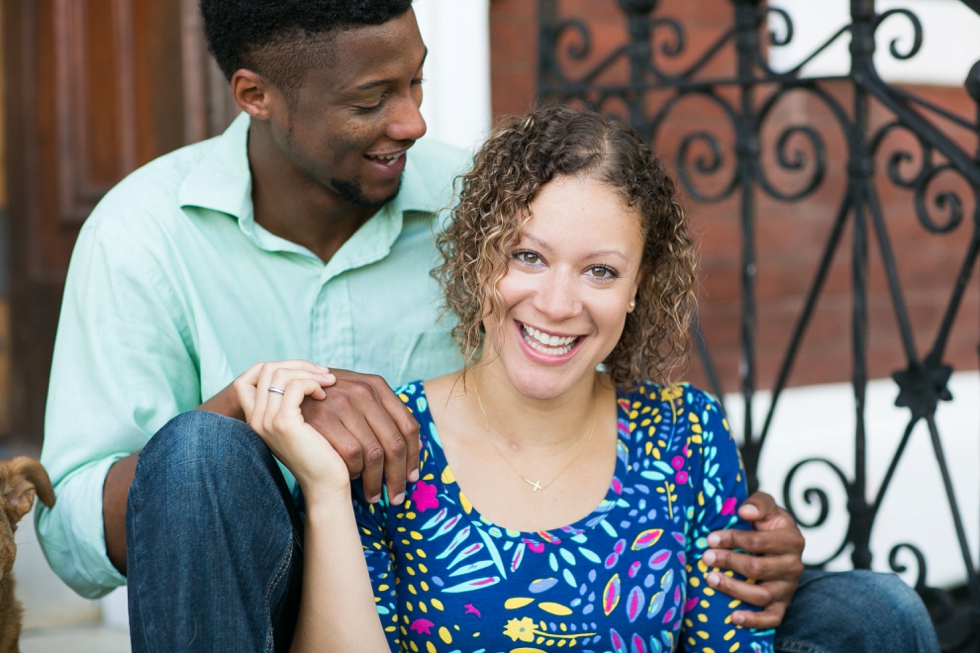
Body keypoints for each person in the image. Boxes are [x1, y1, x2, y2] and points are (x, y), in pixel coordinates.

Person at [32, 1, 938, 652]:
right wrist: (257, 410)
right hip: (262, 587)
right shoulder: (143, 233)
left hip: (527, 547)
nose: (413, 119)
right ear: (256, 93)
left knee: (874, 615)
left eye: (417, 79)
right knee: (195, 452)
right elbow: (73, 534)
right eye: (370, 100)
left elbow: (584, 344)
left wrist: (749, 537)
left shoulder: (490, 200)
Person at [236, 104, 777, 653]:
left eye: (601, 271)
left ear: (640, 284)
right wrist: (327, 493)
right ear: (479, 255)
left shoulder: (688, 434)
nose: (559, 304)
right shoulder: (389, 441)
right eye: (528, 256)